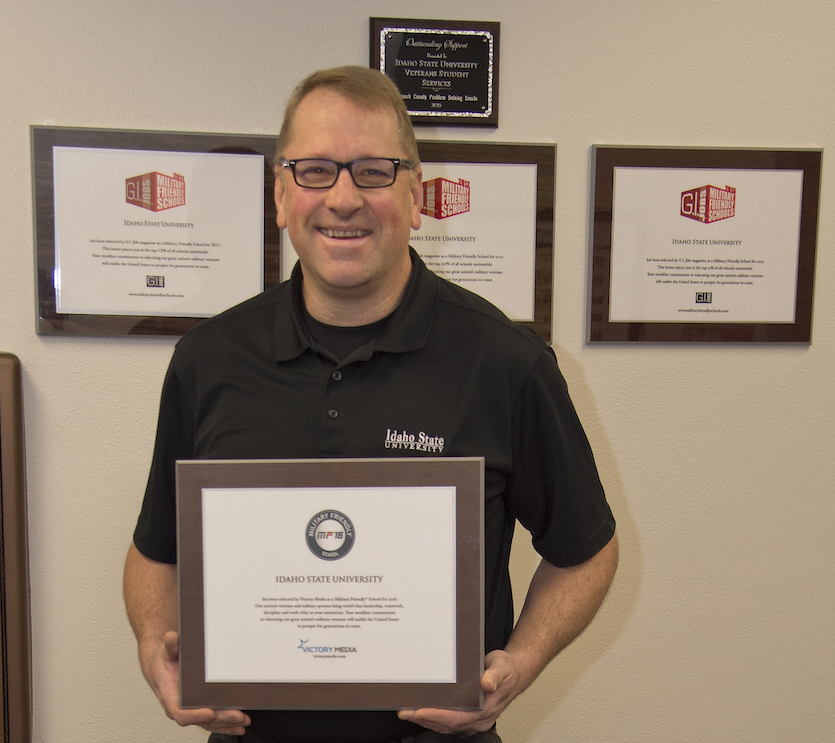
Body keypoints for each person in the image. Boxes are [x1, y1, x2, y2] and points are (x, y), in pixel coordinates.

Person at [123, 65, 618, 743]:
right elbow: (155, 549)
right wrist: (155, 645)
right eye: (315, 170)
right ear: (279, 194)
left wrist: (521, 663)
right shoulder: (207, 359)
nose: (344, 198)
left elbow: (587, 548)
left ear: (416, 196)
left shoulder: (505, 362)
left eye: (374, 171)